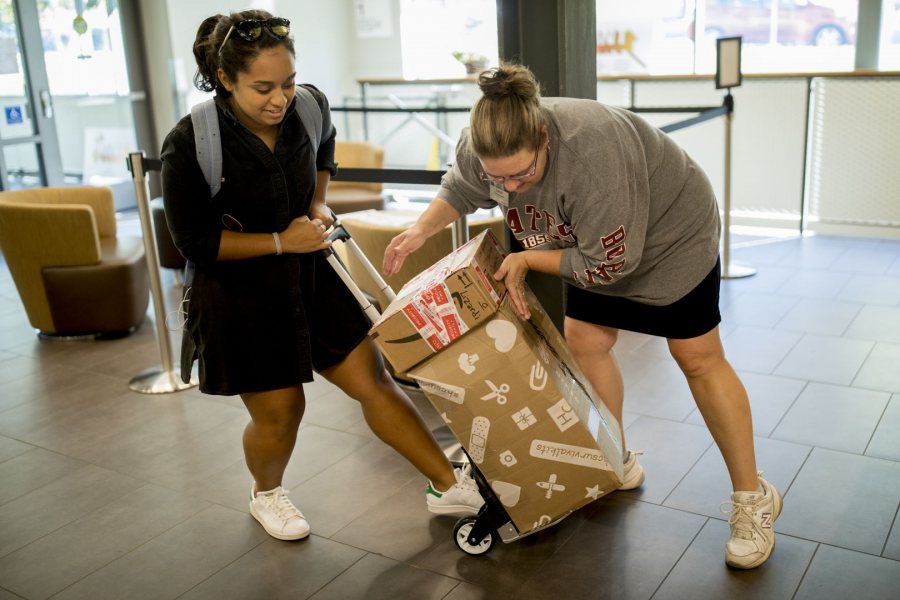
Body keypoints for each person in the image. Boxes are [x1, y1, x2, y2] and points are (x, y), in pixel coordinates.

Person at [383, 63, 781, 569]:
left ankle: (753, 497)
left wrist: (527, 258)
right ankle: (615, 458)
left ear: (544, 138)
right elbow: (460, 189)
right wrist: (422, 229)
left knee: (697, 357)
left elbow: (610, 262)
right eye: (497, 178)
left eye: (523, 174)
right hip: (587, 237)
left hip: (670, 235)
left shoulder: (594, 154)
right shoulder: (480, 145)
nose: (512, 189)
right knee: (587, 341)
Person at [160, 10, 483, 542]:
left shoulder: (307, 106)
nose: (279, 99)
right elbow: (193, 243)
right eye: (261, 88)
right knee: (283, 410)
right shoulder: (190, 142)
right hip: (238, 295)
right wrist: (281, 241)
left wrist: (316, 200)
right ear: (225, 79)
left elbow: (324, 144)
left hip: (311, 276)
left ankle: (445, 484)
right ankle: (267, 494)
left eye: (286, 82)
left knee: (373, 380)